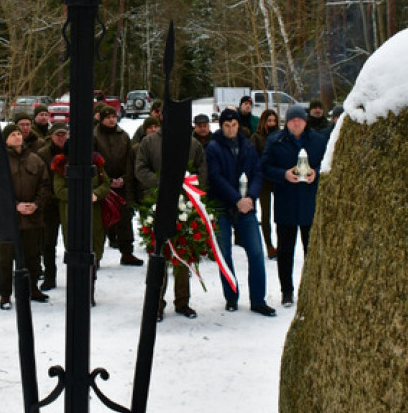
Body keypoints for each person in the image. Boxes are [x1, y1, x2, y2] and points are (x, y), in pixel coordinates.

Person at [205, 108, 276, 317]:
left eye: (234, 125)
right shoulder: (213, 148)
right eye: (227, 125)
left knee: (255, 252)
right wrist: (236, 200)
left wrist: (250, 198)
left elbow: (257, 173)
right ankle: (231, 296)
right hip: (223, 206)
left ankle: (258, 299)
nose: (231, 129)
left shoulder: (247, 145)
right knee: (225, 253)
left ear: (238, 125)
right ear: (221, 126)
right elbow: (216, 178)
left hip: (246, 206)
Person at [134, 125, 207, 320]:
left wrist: (188, 183)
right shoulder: (149, 142)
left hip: (185, 205)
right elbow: (140, 168)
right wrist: (161, 183)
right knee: (159, 255)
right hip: (156, 203)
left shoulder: (193, 144)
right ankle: (156, 304)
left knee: (183, 254)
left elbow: (202, 169)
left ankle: (183, 302)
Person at [261, 103, 328, 307]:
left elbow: (328, 163)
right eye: (292, 120)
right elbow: (264, 166)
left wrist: (315, 173)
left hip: (310, 203)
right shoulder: (275, 141)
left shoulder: (318, 140)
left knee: (311, 250)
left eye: (299, 119)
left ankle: (310, 289)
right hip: (286, 203)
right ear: (287, 122)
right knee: (285, 251)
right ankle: (287, 291)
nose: (296, 123)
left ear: (305, 121)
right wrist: (283, 175)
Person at [0, 122, 51, 310]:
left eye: (18, 133)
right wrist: (16, 206)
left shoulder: (35, 160)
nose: (17, 136)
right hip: (10, 220)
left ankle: (33, 289)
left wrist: (36, 204)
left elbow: (45, 185)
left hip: (32, 218)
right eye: (12, 134)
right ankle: (5, 295)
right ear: (5, 139)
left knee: (32, 256)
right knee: (7, 259)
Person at [51, 143, 110, 305]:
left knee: (94, 249)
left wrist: (96, 195)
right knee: (75, 252)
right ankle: (76, 291)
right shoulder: (61, 166)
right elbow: (59, 190)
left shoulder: (96, 163)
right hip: (71, 213)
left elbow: (105, 183)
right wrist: (81, 195)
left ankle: (90, 290)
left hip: (94, 213)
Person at [93, 105, 142, 266]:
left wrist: (124, 178)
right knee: (99, 221)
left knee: (125, 218)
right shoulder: (94, 136)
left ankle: (127, 252)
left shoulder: (124, 136)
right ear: (101, 118)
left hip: (122, 183)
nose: (111, 119)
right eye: (108, 117)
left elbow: (129, 160)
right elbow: (94, 161)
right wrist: (107, 180)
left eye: (114, 116)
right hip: (101, 184)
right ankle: (96, 256)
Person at [35, 121, 70, 290]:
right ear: (51, 136)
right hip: (49, 205)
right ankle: (50, 276)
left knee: (72, 242)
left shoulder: (73, 151)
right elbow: (40, 179)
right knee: (48, 243)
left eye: (64, 134)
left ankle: (75, 275)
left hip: (69, 203)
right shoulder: (42, 154)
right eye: (58, 135)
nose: (62, 138)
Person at [250, 108, 280, 259]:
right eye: (269, 120)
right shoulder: (256, 137)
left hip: (278, 179)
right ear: (263, 121)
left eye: (274, 120)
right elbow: (252, 158)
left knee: (280, 214)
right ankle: (269, 244)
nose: (272, 123)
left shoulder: (280, 136)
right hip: (263, 180)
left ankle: (281, 244)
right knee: (265, 214)